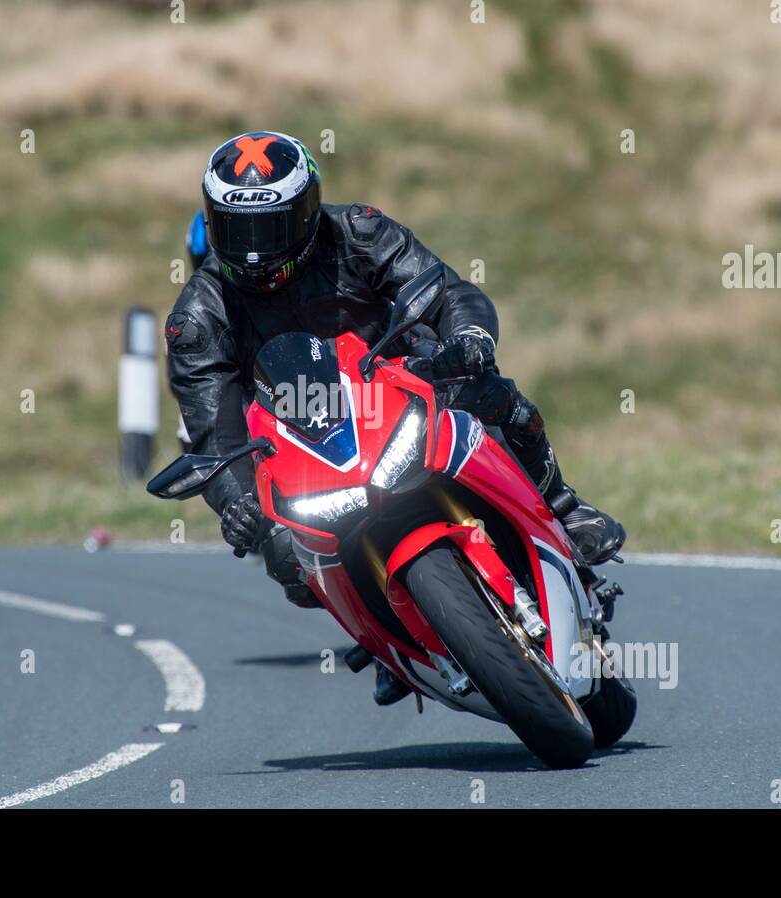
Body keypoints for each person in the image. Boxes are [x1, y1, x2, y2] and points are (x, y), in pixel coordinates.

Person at [165, 131, 626, 705]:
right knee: (287, 562)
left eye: (272, 228)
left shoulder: (359, 231)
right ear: (213, 223)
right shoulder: (199, 318)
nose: (256, 251)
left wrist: (469, 339)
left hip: (401, 380)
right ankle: (386, 634)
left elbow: (446, 291)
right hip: (307, 433)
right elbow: (213, 430)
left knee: (491, 393)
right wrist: (238, 504)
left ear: (308, 211)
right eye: (239, 231)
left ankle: (562, 504)